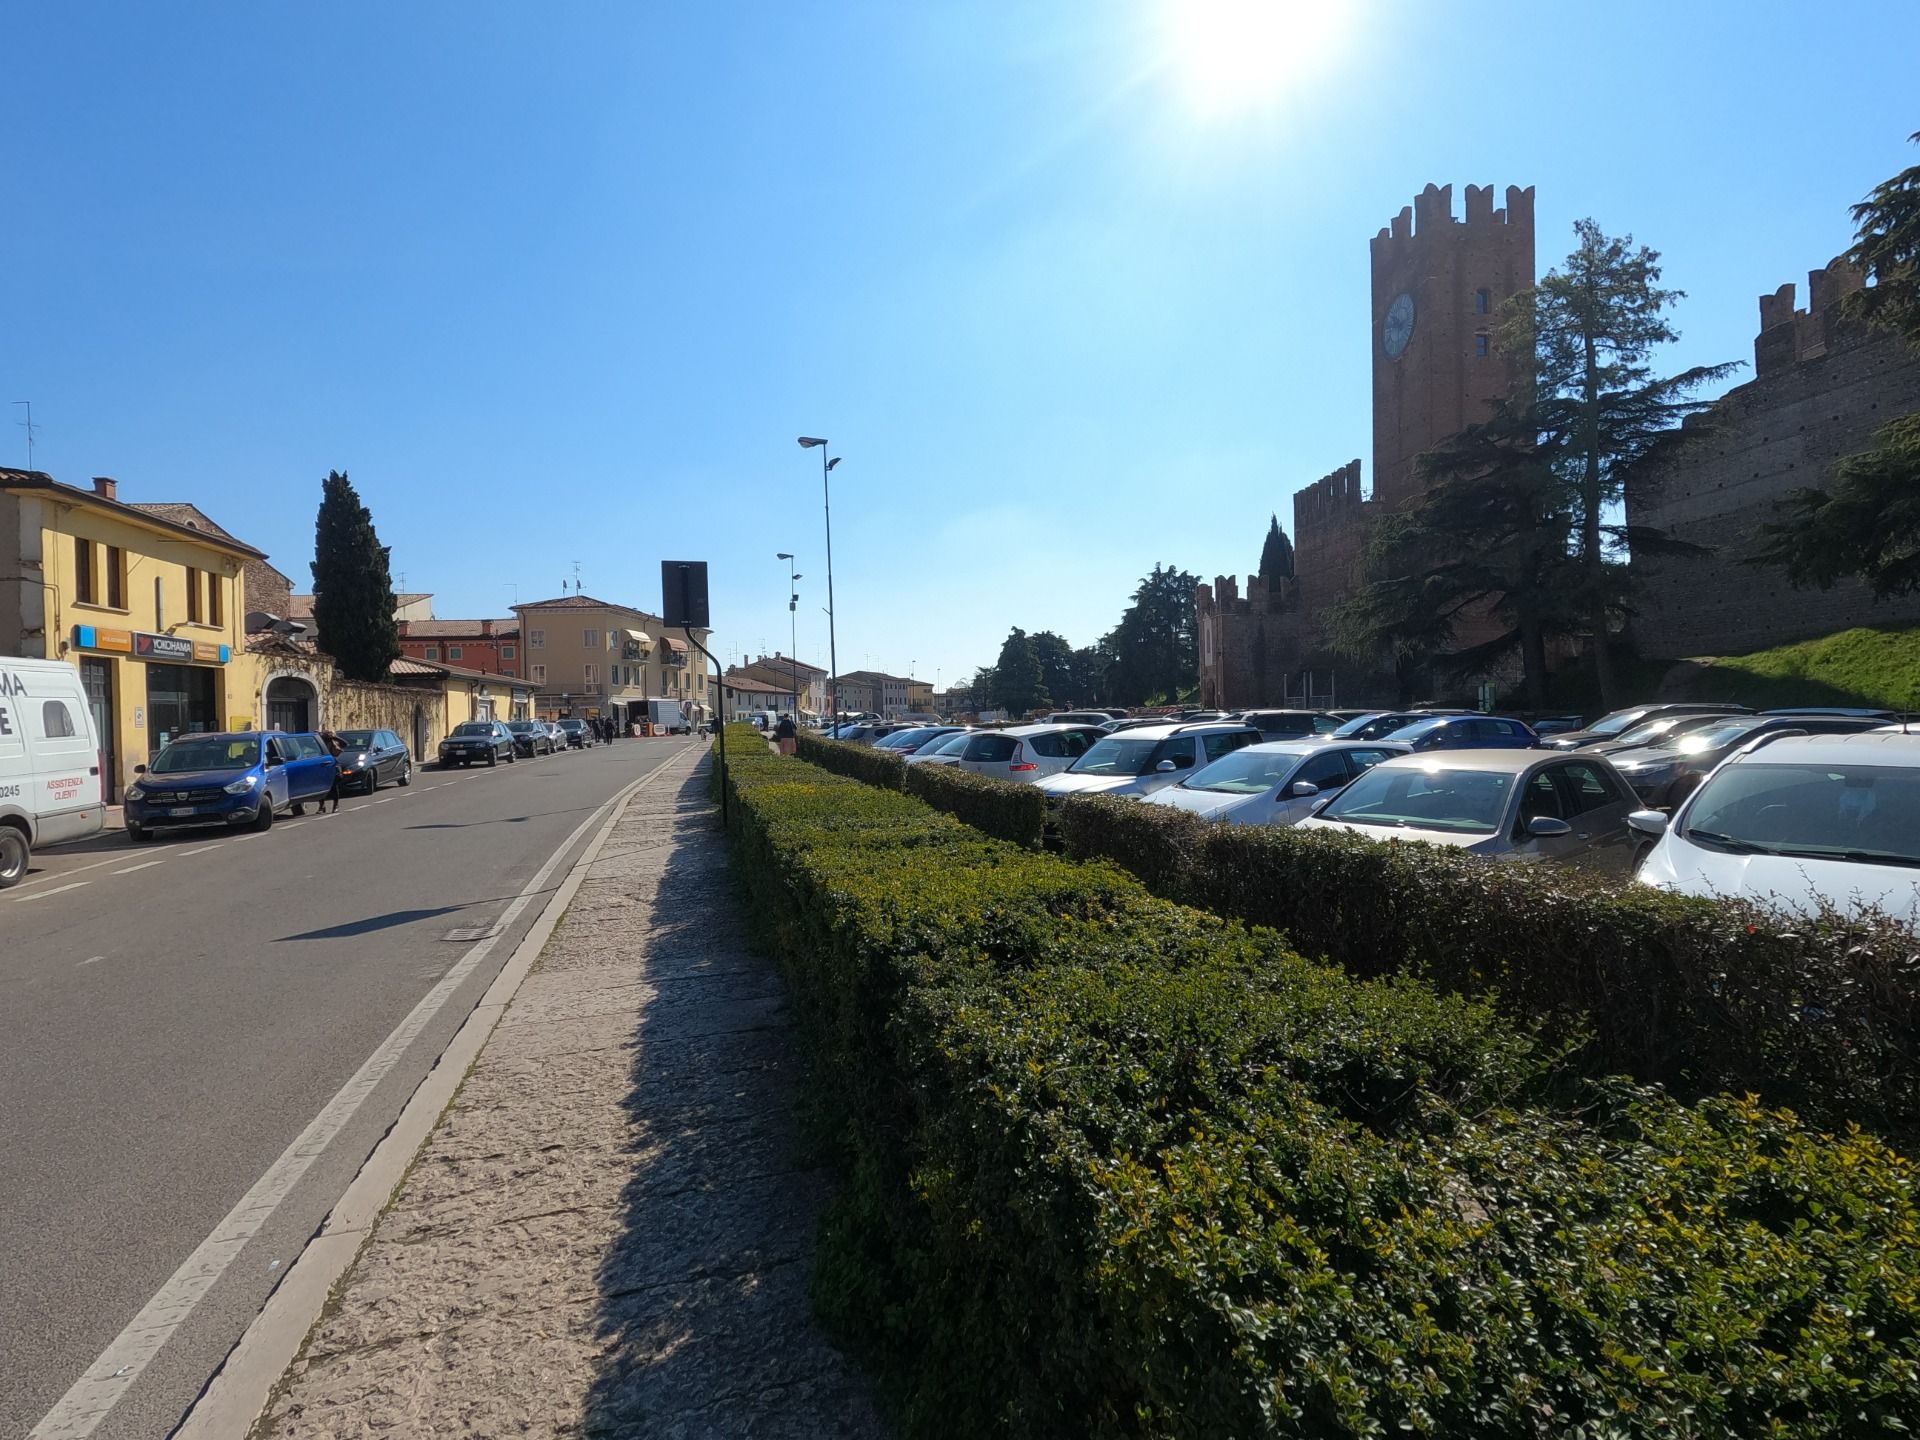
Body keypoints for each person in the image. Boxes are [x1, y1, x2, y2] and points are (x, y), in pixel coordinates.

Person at [319, 729, 346, 813]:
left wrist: (334, 737)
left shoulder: (335, 742)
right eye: (326, 734)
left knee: (334, 786)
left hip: (333, 764)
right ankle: (322, 806)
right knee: (321, 786)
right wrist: (318, 735)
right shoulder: (320, 742)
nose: (327, 736)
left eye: (328, 734)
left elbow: (345, 744)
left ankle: (336, 805)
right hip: (323, 765)